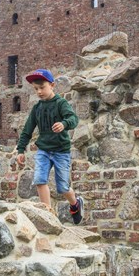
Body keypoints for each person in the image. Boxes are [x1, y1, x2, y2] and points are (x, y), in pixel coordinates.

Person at [16, 68, 84, 224]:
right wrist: (20, 150)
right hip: (44, 150)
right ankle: (48, 215)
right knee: (39, 180)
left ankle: (75, 204)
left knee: (63, 188)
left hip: (61, 151)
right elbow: (27, 130)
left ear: (52, 85)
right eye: (36, 89)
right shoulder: (37, 108)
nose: (39, 91)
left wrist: (64, 124)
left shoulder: (61, 103)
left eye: (42, 87)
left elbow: (73, 119)